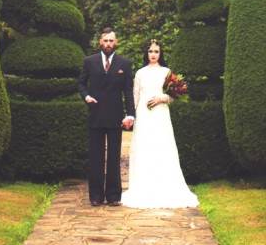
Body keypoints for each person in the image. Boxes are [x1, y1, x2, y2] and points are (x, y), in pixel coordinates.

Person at [121, 39, 198, 208]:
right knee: (144, 147)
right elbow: (135, 96)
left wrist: (162, 98)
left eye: (156, 51)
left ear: (160, 54)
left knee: (162, 146)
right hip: (144, 114)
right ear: (146, 53)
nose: (153, 54)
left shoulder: (166, 72)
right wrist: (130, 116)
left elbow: (175, 94)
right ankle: (144, 187)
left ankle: (165, 186)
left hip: (160, 114)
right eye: (150, 51)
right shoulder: (140, 73)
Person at [78, 27, 135, 206]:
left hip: (115, 117)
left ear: (116, 42)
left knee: (113, 157)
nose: (108, 44)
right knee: (95, 157)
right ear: (100, 42)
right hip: (95, 115)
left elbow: (128, 91)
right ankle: (95, 196)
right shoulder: (89, 61)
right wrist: (86, 96)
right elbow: (81, 83)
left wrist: (131, 114)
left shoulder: (124, 64)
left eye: (111, 41)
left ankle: (113, 196)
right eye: (105, 41)